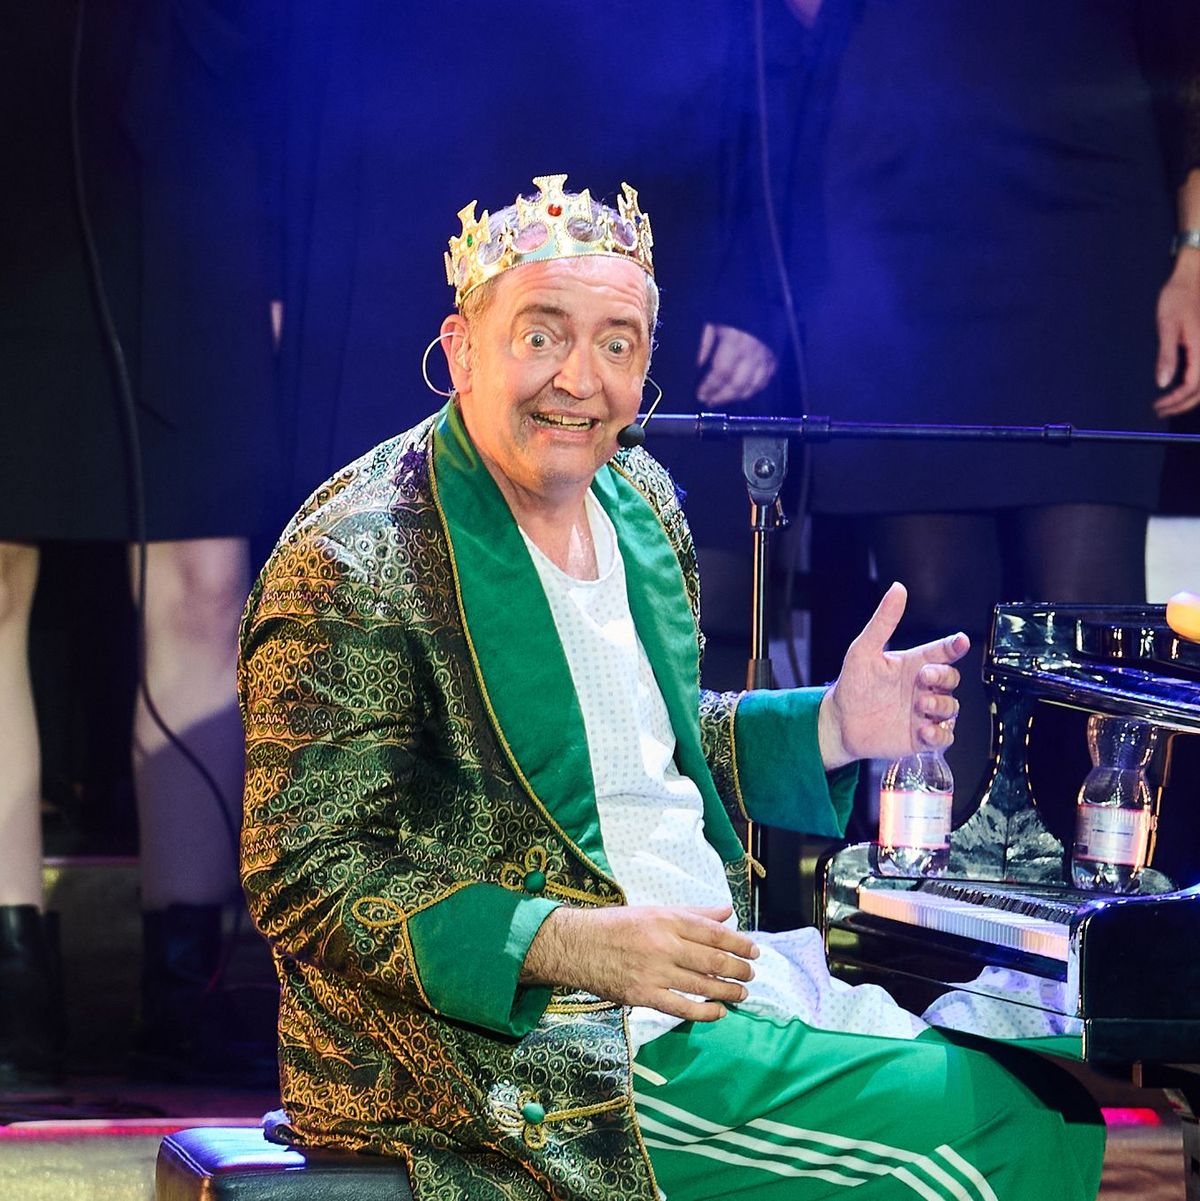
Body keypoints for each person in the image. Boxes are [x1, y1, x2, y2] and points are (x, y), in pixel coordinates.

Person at [239, 176, 1104, 1200]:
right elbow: (305, 869)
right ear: (463, 348)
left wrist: (830, 723)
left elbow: (630, 748)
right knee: (985, 1128)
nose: (579, 378)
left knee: (1051, 1089)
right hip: (519, 1052)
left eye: (616, 343)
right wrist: (570, 943)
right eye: (542, 334)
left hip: (707, 979)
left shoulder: (639, 500)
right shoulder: (359, 554)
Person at [764, 0, 1200, 807]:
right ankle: (926, 916)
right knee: (934, 622)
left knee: (1085, 630)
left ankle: (1100, 913)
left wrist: (1195, 250)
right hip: (898, 211)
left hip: (1089, 219)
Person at [0, 4, 282, 1086]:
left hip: (190, 169)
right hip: (16, 155)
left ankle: (187, 974)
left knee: (206, 586)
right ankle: (14, 975)